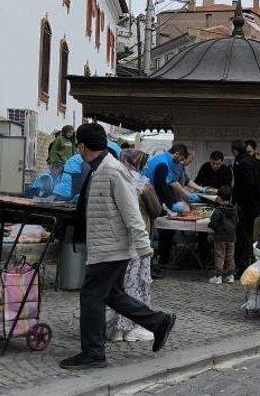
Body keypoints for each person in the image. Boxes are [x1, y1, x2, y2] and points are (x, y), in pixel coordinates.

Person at [59, 123, 175, 370]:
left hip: (112, 248)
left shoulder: (112, 170)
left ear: (82, 146)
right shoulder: (100, 169)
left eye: (78, 146)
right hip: (106, 246)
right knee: (111, 294)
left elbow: (131, 211)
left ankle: (93, 353)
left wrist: (144, 248)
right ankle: (158, 322)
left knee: (91, 296)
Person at [106, 148, 158, 343]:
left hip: (116, 239)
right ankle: (132, 328)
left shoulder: (113, 178)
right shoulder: (143, 184)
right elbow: (156, 209)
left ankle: (114, 329)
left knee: (116, 284)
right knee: (135, 284)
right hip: (137, 241)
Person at [231, 140, 260, 273]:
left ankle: (242, 265)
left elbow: (246, 184)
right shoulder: (255, 161)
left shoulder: (240, 162)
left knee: (243, 236)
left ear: (235, 151)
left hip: (245, 205)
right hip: (256, 205)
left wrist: (240, 200)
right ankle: (247, 260)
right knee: (249, 233)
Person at [208, 185, 238, 285]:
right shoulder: (234, 209)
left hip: (220, 237)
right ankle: (230, 275)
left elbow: (213, 223)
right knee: (230, 256)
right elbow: (237, 221)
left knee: (219, 255)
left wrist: (211, 226)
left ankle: (218, 276)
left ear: (219, 198)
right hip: (231, 236)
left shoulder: (218, 210)